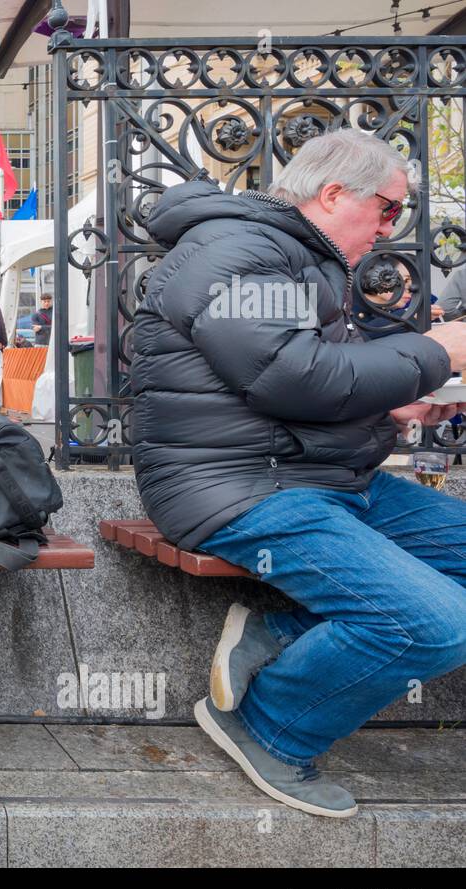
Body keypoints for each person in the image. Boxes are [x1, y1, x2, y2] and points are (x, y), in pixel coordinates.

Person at [132, 128, 466, 818]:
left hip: (315, 476)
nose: (390, 227)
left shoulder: (293, 256)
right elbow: (292, 378)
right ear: (334, 192)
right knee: (436, 625)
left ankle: (278, 633)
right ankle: (272, 725)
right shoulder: (239, 254)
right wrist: (432, 352)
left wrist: (398, 402)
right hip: (237, 487)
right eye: (386, 208)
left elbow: (305, 382)